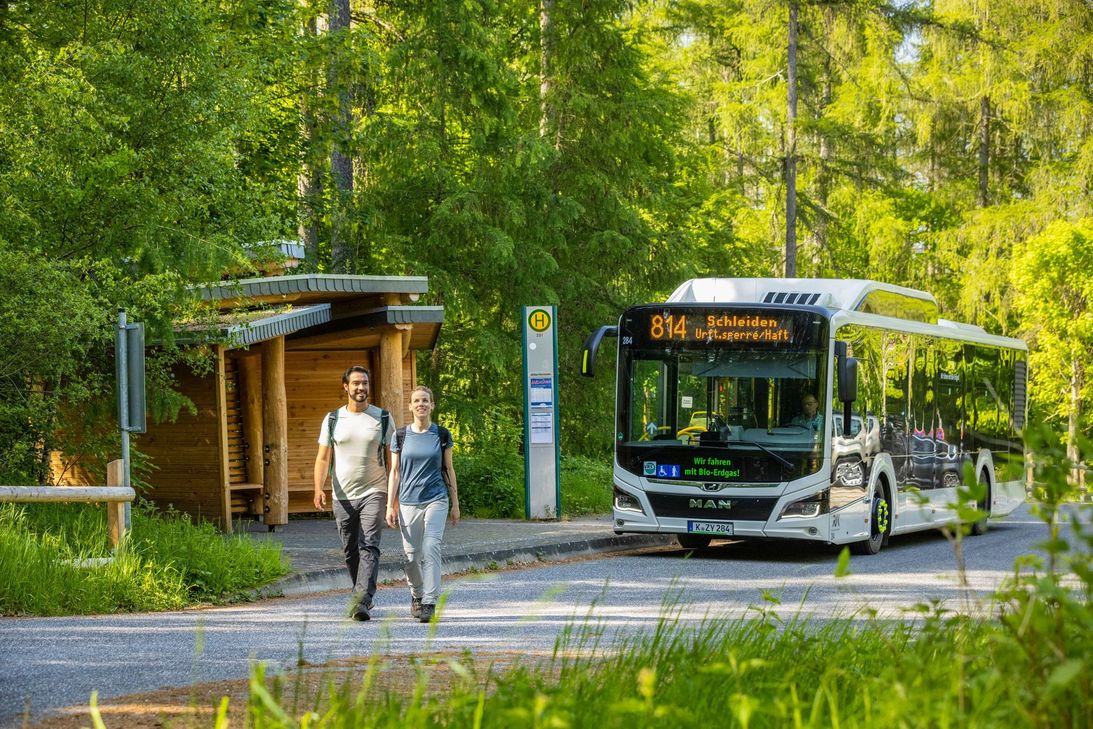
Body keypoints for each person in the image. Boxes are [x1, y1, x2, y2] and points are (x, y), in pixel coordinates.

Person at [313, 366, 391, 621]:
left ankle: (361, 601)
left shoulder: (383, 418)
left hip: (375, 490)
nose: (361, 388)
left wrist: (393, 498)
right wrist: (318, 488)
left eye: (365, 383)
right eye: (356, 383)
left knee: (369, 544)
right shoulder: (333, 419)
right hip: (342, 494)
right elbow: (323, 458)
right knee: (350, 549)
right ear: (345, 386)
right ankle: (360, 593)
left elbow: (393, 462)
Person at [385, 386, 460, 623]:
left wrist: (455, 503)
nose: (421, 404)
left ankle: (429, 601)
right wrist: (390, 505)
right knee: (411, 556)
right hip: (408, 502)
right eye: (416, 401)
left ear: (432, 405)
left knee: (431, 548)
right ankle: (416, 595)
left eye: (425, 400)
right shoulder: (400, 436)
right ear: (410, 406)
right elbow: (394, 472)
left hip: (436, 499)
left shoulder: (441, 435)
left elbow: (449, 469)